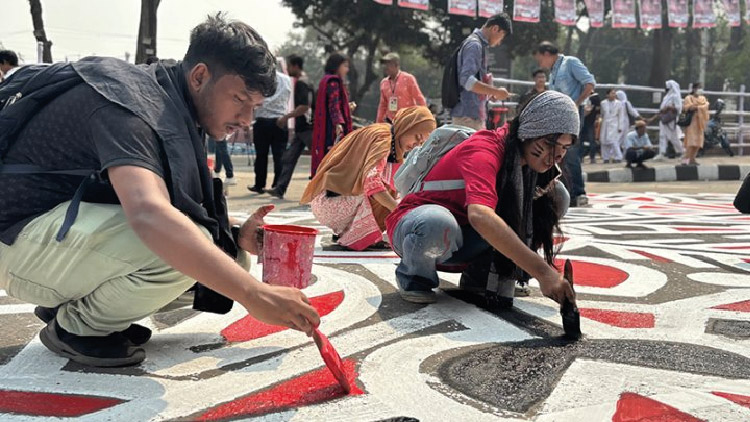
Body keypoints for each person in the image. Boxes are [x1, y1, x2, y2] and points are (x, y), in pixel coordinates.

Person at [0, 15, 320, 368]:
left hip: (51, 238)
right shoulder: (129, 104)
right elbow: (149, 214)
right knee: (175, 246)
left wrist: (233, 234)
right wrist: (254, 294)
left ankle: (81, 306)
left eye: (254, 107)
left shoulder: (171, 100)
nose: (246, 119)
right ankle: (76, 327)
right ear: (200, 76)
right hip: (14, 241)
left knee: (225, 252)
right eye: (239, 99)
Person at [386, 91, 578, 306]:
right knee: (437, 222)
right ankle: (414, 276)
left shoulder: (528, 166)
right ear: (529, 132)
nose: (557, 155)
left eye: (565, 147)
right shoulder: (484, 150)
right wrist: (543, 272)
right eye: (550, 144)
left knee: (556, 196)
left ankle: (482, 275)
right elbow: (480, 216)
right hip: (421, 231)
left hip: (465, 238)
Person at [302, 106, 436, 251]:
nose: (417, 144)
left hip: (330, 201)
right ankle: (357, 236)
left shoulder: (388, 135)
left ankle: (348, 231)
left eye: (421, 143)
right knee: (386, 190)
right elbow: (371, 183)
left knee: (394, 189)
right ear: (406, 126)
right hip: (330, 205)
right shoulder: (383, 139)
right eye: (417, 137)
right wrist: (399, 211)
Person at [534, 41, 595, 207]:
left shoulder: (570, 63)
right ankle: (567, 193)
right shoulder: (553, 72)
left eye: (540, 59)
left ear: (547, 54)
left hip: (573, 112)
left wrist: (576, 103)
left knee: (570, 150)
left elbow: (590, 83)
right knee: (560, 152)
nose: (540, 63)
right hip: (559, 115)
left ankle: (579, 193)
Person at [450, 13, 512, 131]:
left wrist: (489, 92)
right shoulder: (474, 45)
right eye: (502, 37)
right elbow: (467, 81)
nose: (499, 42)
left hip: (471, 115)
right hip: (468, 116)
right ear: (495, 29)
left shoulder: (477, 45)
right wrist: (496, 91)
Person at [267, 55, 314, 199]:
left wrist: (286, 117)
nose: (287, 69)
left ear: (295, 66)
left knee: (321, 160)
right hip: (302, 129)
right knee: (289, 158)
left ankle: (322, 190)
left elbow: (304, 107)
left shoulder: (301, 83)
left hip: (307, 128)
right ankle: (280, 188)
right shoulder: (307, 81)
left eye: (289, 66)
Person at [247, 70, 292, 193]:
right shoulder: (286, 79)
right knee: (280, 156)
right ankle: (277, 185)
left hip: (263, 121)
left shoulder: (259, 77)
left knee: (261, 155)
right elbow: (287, 97)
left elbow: (254, 98)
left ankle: (259, 185)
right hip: (280, 120)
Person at [311, 53, 354, 178]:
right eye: (345, 66)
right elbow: (333, 105)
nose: (347, 69)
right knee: (335, 157)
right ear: (337, 66)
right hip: (332, 127)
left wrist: (347, 108)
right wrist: (338, 123)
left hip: (327, 124)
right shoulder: (334, 82)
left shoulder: (325, 80)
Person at [376, 52, 427, 123]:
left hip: (408, 120)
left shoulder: (408, 78)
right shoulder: (384, 83)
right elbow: (383, 105)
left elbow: (419, 98)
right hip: (391, 121)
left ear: (396, 65)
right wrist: (378, 122)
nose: (386, 67)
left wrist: (425, 117)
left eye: (388, 64)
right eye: (385, 64)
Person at [653, 80, 683, 161]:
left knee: (673, 137)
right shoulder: (666, 96)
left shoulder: (675, 96)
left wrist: (668, 107)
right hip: (664, 118)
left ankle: (682, 152)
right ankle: (662, 153)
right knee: (662, 135)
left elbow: (678, 108)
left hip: (670, 120)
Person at [682, 82, 710, 166]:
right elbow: (689, 107)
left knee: (698, 143)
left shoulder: (703, 98)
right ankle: (685, 161)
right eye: (698, 88)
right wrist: (700, 107)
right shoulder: (688, 98)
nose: (700, 90)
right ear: (694, 89)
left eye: (701, 88)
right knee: (691, 143)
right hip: (692, 122)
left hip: (700, 123)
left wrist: (697, 107)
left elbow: (706, 107)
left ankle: (692, 159)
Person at [599, 88, 626, 163]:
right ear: (607, 95)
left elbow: (621, 115)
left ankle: (618, 157)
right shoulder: (603, 103)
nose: (614, 95)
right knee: (604, 141)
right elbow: (602, 114)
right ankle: (606, 158)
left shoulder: (619, 103)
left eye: (614, 93)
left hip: (614, 124)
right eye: (612, 93)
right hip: (605, 123)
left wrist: (620, 127)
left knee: (614, 141)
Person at [582, 93, 602, 164]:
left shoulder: (594, 98)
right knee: (585, 141)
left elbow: (596, 111)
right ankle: (584, 157)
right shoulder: (583, 97)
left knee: (590, 140)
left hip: (589, 122)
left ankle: (591, 157)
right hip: (585, 122)